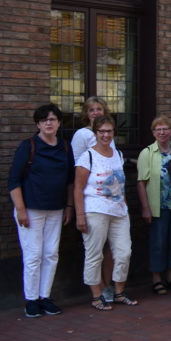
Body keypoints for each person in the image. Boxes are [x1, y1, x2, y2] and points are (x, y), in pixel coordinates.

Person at [8, 104, 74, 318]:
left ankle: (45, 296)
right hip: (31, 210)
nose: (48, 123)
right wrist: (20, 209)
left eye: (52, 119)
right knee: (33, 255)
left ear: (59, 123)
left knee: (51, 254)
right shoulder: (28, 146)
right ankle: (31, 299)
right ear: (37, 124)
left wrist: (69, 206)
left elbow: (70, 181)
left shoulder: (65, 148)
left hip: (56, 209)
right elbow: (14, 181)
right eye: (44, 120)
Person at [74, 115, 136, 310]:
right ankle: (96, 296)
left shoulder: (117, 154)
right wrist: (80, 215)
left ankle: (119, 292)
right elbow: (78, 188)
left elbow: (120, 184)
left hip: (119, 211)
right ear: (95, 133)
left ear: (114, 132)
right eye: (101, 131)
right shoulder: (88, 156)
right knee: (94, 254)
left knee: (124, 252)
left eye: (109, 131)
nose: (106, 135)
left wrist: (125, 208)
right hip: (95, 210)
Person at [71, 96, 115, 301]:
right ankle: (99, 288)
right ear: (86, 114)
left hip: (112, 201)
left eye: (99, 109)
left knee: (111, 247)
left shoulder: (109, 134)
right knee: (95, 248)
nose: (95, 112)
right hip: (93, 200)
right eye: (91, 110)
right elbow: (77, 167)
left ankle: (108, 283)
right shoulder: (82, 134)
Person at [137, 116, 171, 295]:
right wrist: (145, 207)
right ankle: (156, 278)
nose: (162, 132)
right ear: (153, 132)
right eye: (158, 129)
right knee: (158, 242)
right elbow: (141, 182)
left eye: (165, 129)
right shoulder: (147, 153)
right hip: (158, 207)